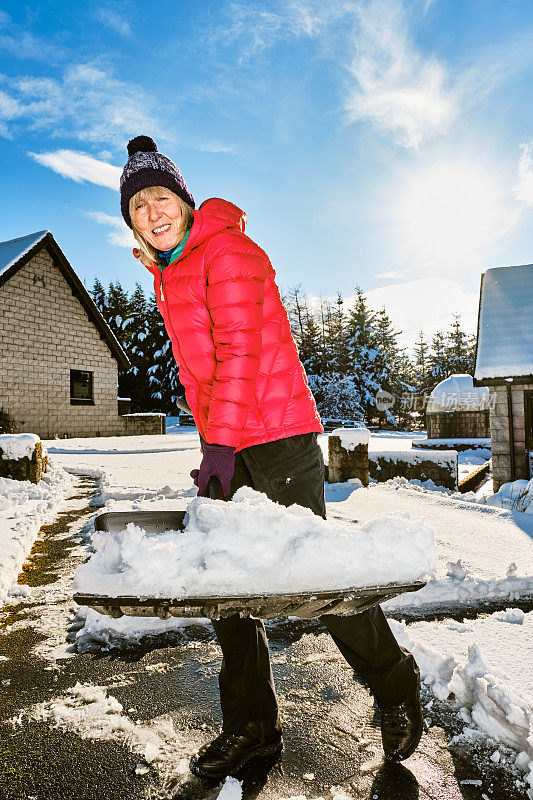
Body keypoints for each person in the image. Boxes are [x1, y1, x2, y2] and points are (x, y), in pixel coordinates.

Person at [119, 135, 424, 780]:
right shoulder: (169, 274)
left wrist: (219, 445)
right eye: (139, 203)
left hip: (278, 438)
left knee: (320, 580)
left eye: (162, 196)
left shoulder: (225, 252)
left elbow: (239, 357)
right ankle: (252, 729)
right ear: (130, 220)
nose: (153, 211)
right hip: (228, 441)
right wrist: (213, 443)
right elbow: (202, 376)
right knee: (228, 589)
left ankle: (395, 682)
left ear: (185, 201)